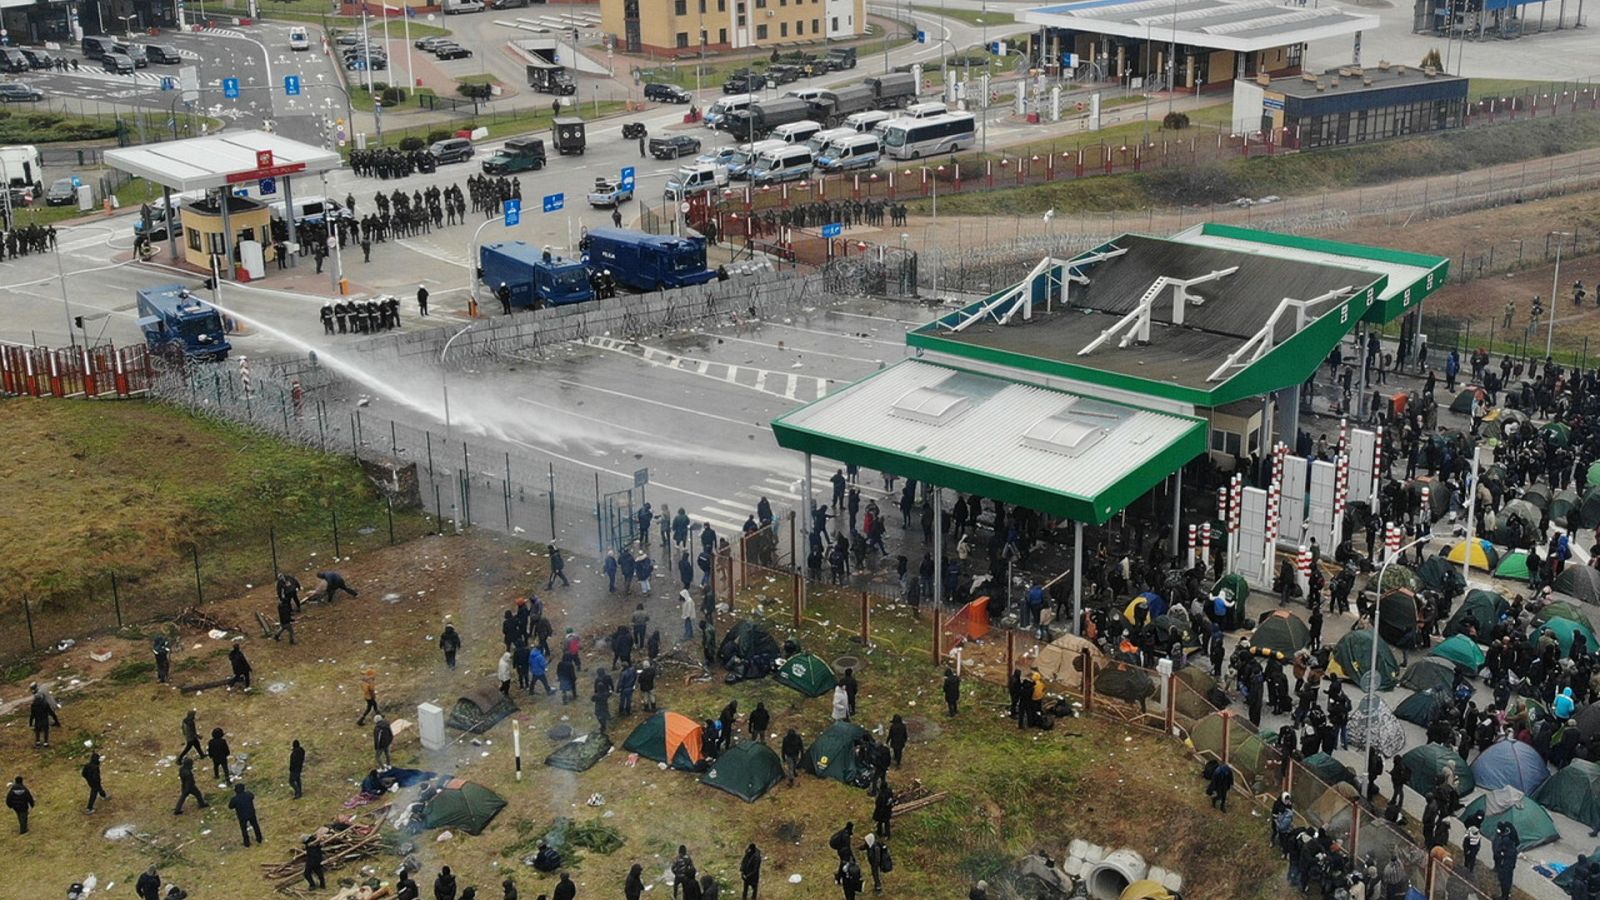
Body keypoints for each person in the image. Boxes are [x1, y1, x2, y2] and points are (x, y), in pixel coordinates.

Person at [227, 782, 263, 847]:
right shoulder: (248, 794)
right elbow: (252, 796)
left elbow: (230, 806)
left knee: (244, 829)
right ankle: (259, 838)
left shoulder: (235, 799)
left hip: (242, 816)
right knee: (255, 826)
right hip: (251, 813)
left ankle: (247, 843)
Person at [1492, 821, 1518, 900]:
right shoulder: (1508, 837)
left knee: (1505, 880)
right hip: (1507, 863)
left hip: (1506, 864)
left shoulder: (1506, 841)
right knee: (1505, 879)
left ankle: (1504, 896)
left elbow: (1498, 851)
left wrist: (1501, 855)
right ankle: (1505, 894)